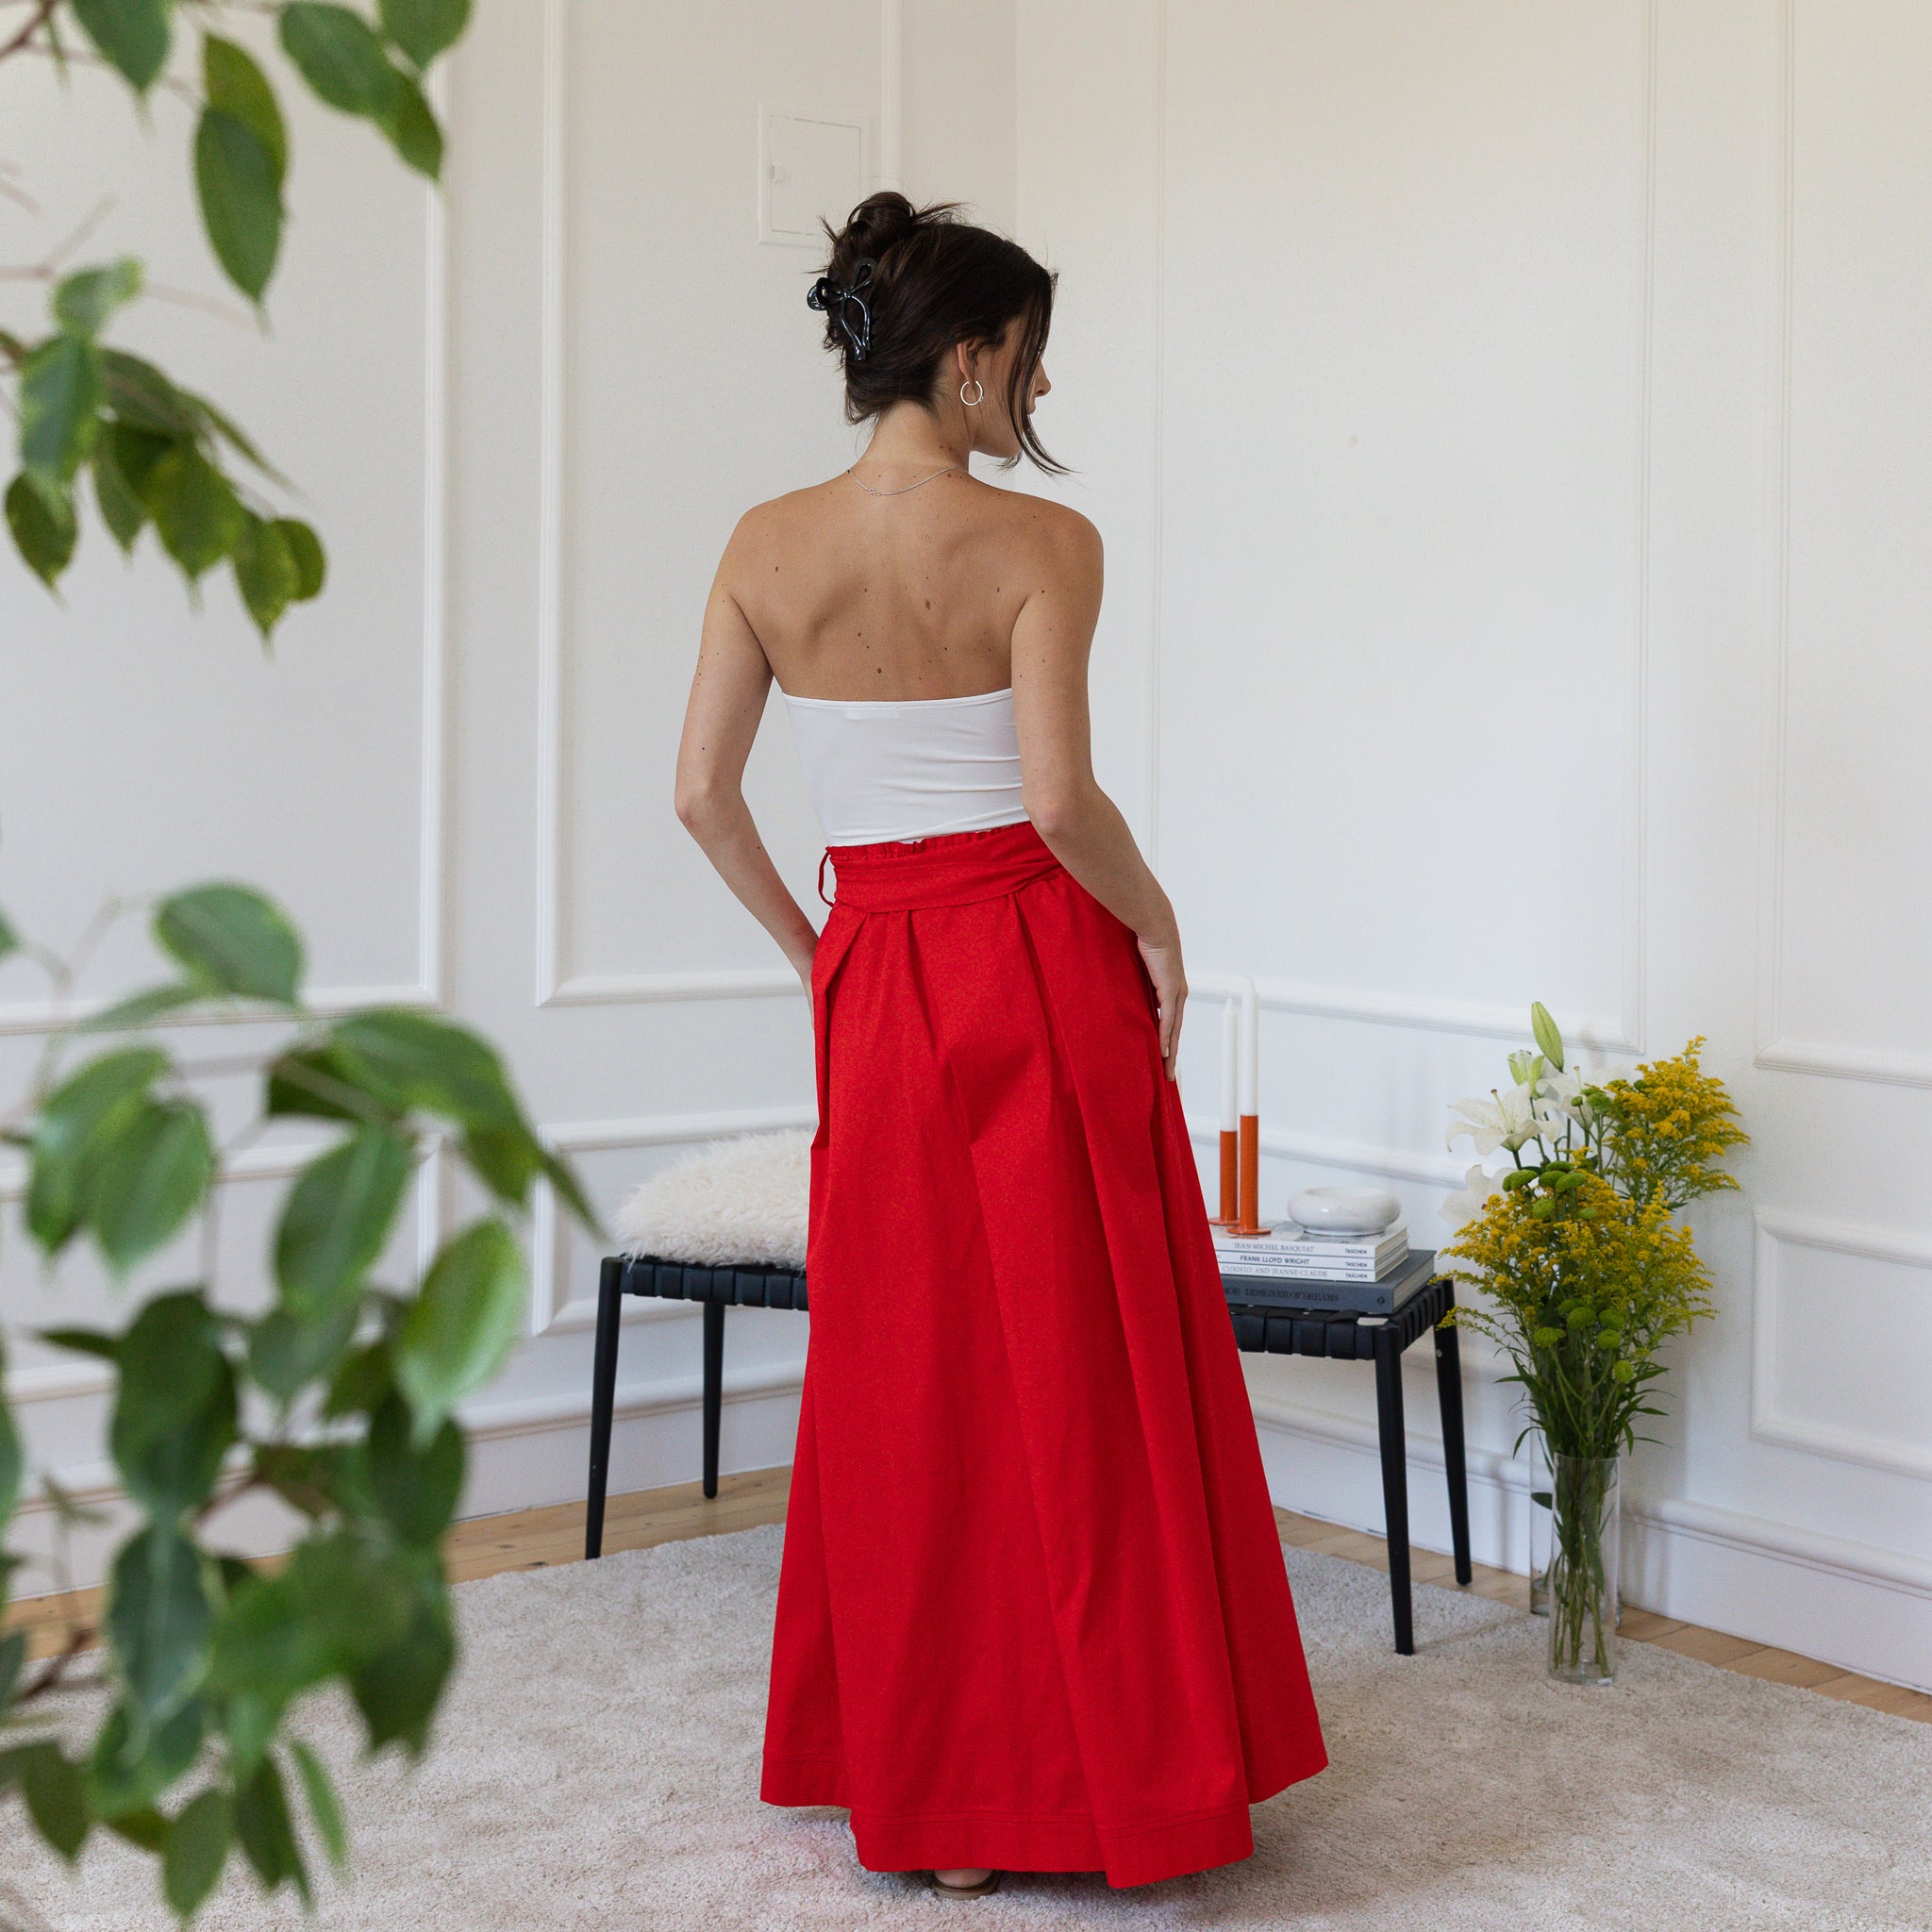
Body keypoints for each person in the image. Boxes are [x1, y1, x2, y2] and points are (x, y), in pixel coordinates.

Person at [675, 192, 1326, 1899]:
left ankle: (937, 1802)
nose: (1029, 397)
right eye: (1026, 361)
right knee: (1081, 1367)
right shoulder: (1045, 549)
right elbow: (1056, 802)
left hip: (879, 972)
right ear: (971, 356)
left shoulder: (761, 541)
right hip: (1036, 957)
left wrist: (826, 953)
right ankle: (1094, 1778)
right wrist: (1163, 925)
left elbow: (699, 795)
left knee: (911, 1376)